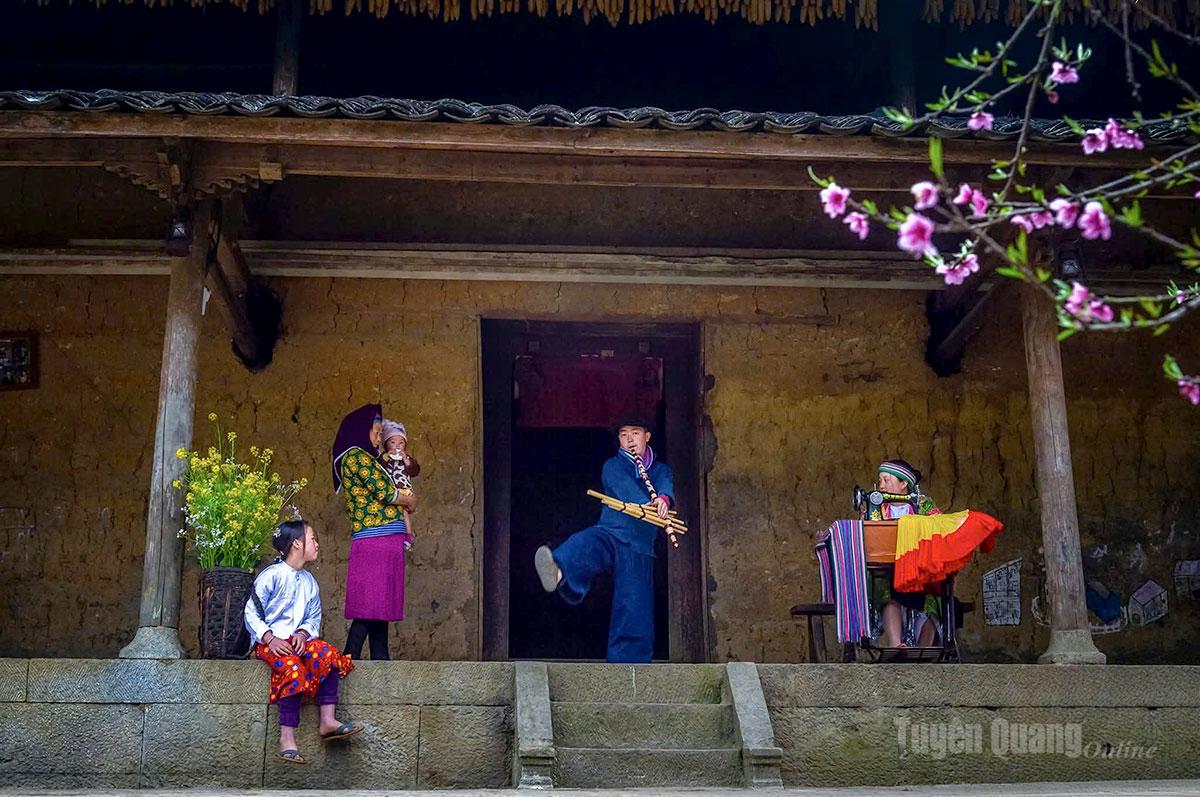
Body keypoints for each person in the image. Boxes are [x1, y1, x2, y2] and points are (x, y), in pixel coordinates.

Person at [533, 418, 673, 664]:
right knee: (584, 543)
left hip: (639, 546)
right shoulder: (613, 466)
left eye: (635, 433)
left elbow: (665, 486)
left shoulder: (660, 469)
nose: (629, 439)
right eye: (623, 434)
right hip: (611, 532)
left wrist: (663, 500)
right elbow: (624, 490)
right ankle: (558, 571)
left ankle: (629, 663)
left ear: (647, 436)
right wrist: (649, 504)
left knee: (633, 603)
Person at [244, 518, 361, 766]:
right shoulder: (271, 576)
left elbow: (313, 617)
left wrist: (302, 634)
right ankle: (287, 739)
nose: (317, 544)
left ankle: (328, 720)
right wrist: (269, 638)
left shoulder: (309, 581)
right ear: (297, 544)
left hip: (297, 640)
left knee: (327, 654)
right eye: (313, 539)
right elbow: (251, 612)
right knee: (292, 668)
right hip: (271, 642)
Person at [331, 404, 415, 660]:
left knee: (379, 606)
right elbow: (386, 492)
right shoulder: (356, 456)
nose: (380, 439)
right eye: (377, 432)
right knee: (371, 604)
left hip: (383, 537)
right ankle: (349, 656)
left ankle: (380, 659)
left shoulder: (366, 456)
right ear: (361, 430)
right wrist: (409, 500)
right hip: (375, 538)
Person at [868, 459, 943, 648]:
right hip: (886, 570)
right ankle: (896, 644)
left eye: (886, 480)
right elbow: (867, 531)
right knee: (885, 590)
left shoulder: (922, 504)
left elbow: (939, 525)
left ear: (903, 484)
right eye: (880, 481)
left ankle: (923, 649)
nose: (881, 486)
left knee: (934, 596)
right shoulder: (877, 507)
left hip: (918, 569)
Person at [378, 419, 421, 551]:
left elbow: (415, 471)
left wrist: (407, 461)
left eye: (401, 443)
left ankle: (408, 536)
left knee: (403, 513)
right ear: (386, 445)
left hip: (403, 491)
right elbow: (378, 467)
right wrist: (386, 457)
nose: (397, 446)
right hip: (389, 491)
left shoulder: (406, 459)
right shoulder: (384, 457)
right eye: (393, 442)